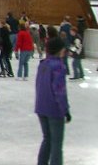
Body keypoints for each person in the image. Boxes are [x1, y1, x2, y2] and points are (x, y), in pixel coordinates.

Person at [35, 37, 71, 165]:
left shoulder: (43, 64)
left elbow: (39, 85)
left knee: (47, 139)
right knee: (56, 144)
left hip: (41, 107)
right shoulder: (58, 66)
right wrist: (65, 110)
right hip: (54, 109)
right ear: (60, 50)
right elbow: (59, 91)